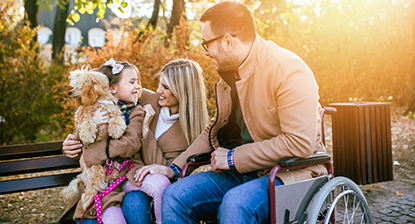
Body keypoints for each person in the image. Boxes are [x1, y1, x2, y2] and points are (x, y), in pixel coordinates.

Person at [161, 1, 328, 224]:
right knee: (174, 196)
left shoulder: (287, 69)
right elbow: (214, 129)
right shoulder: (231, 75)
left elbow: (299, 143)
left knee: (236, 203)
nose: (206, 52)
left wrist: (232, 157)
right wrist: (174, 167)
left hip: (289, 174)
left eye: (206, 44)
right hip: (243, 172)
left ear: (228, 41)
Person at [62, 59, 210, 224]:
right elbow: (106, 82)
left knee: (135, 203)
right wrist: (73, 143)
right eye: (160, 84)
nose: (157, 90)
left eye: (165, 87)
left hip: (141, 182)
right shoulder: (148, 98)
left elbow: (163, 170)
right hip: (109, 178)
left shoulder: (189, 134)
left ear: (183, 92)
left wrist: (145, 133)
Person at [59, 59, 144, 224]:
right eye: (133, 82)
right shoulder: (93, 107)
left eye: (137, 82)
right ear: (111, 88)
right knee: (89, 215)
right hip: (95, 181)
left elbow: (130, 144)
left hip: (119, 177)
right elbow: (81, 134)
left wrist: (92, 154)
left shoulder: (134, 109)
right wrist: (70, 143)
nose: (138, 86)